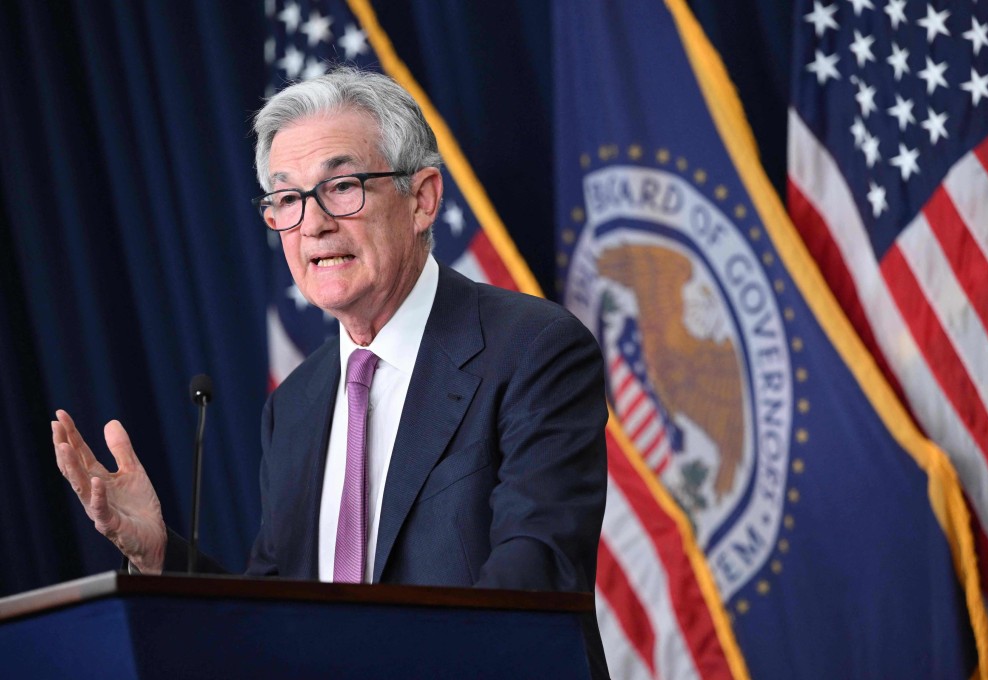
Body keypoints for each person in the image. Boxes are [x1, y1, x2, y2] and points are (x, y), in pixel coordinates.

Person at [52, 66, 608, 674]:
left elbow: (534, 573)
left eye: (341, 187)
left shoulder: (533, 349)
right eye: (287, 199)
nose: (312, 223)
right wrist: (161, 555)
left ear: (422, 198)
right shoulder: (295, 403)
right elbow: (276, 609)